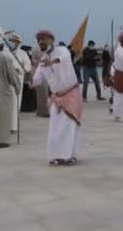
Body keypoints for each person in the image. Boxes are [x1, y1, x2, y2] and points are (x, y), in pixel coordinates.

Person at [32, 30, 83, 166]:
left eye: (43, 39)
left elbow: (64, 59)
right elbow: (36, 80)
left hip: (71, 94)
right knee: (55, 128)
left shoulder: (62, 50)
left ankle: (70, 156)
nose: (40, 42)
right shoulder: (43, 61)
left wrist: (52, 62)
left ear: (51, 39)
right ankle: (56, 155)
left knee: (69, 127)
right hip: (56, 98)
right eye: (38, 41)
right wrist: (29, 75)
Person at [3, 34, 32, 134]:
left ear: (18, 43)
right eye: (11, 40)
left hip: (17, 80)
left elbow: (28, 67)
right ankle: (4, 125)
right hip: (5, 81)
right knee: (6, 103)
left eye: (15, 41)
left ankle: (14, 127)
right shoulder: (4, 52)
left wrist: (19, 69)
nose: (12, 42)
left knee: (16, 103)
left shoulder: (23, 53)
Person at [32, 44, 50, 117]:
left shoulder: (48, 49)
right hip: (39, 73)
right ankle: (44, 112)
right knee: (43, 94)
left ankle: (41, 112)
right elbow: (33, 62)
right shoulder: (35, 50)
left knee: (43, 94)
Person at [20, 45, 37, 112]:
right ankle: (29, 108)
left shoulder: (27, 57)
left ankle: (29, 107)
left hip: (28, 77)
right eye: (28, 50)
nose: (30, 51)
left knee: (28, 93)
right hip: (27, 77)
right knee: (28, 93)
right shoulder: (25, 57)